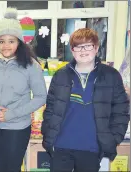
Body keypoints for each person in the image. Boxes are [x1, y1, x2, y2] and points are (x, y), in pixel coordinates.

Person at [41, 28, 130, 172]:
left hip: (92, 148)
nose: (83, 51)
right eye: (78, 47)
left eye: (88, 46)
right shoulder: (61, 75)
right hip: (61, 146)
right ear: (72, 50)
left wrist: (113, 140)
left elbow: (121, 111)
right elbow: (50, 109)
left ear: (96, 48)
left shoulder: (111, 76)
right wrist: (48, 136)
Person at [0, 7, 47, 171]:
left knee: (12, 168)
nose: (6, 46)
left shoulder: (31, 65)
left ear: (19, 42)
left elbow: (41, 97)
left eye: (11, 41)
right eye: (1, 41)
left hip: (17, 127)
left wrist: (11, 114)